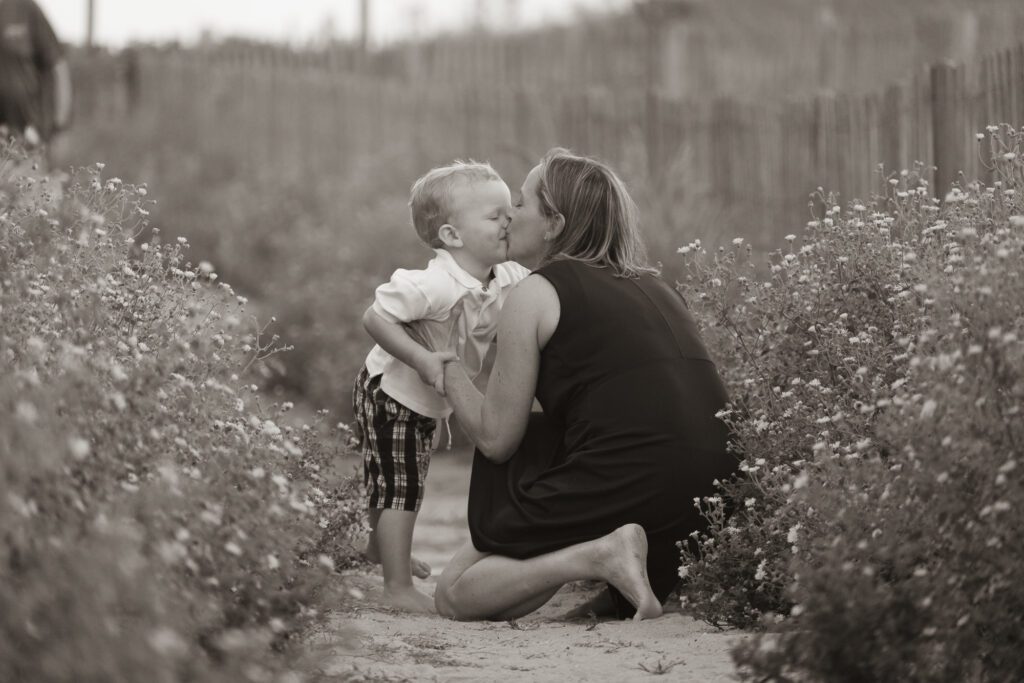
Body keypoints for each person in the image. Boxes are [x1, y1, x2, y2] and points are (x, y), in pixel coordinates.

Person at [431, 148, 740, 621]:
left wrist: (441, 357)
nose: (510, 215)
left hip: (638, 472)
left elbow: (496, 439)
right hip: (718, 494)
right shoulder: (658, 287)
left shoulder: (537, 291)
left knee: (453, 593)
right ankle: (613, 555)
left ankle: (594, 554)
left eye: (521, 202)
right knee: (548, 433)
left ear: (554, 222)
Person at [352, 161, 530, 613]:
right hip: (391, 392)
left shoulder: (507, 277)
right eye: (495, 217)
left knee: (391, 475)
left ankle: (379, 547)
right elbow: (376, 316)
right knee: (400, 485)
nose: (509, 222)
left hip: (425, 399)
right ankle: (395, 586)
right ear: (452, 236)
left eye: (510, 212)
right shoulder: (433, 283)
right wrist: (422, 358)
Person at [0, 0, 72, 149]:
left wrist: (60, 123)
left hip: (26, 140)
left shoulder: (25, 8)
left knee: (26, 170)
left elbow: (58, 66)